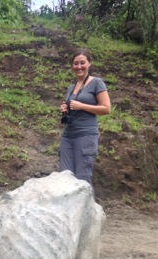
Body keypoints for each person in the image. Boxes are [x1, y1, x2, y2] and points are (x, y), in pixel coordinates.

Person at [59, 49, 111, 190]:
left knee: (82, 178)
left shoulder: (96, 83)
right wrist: (65, 110)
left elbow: (106, 108)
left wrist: (82, 106)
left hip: (86, 135)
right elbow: (72, 108)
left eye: (82, 63)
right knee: (64, 177)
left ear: (89, 63)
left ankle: (87, 211)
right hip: (68, 135)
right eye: (76, 63)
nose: (79, 66)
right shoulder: (71, 87)